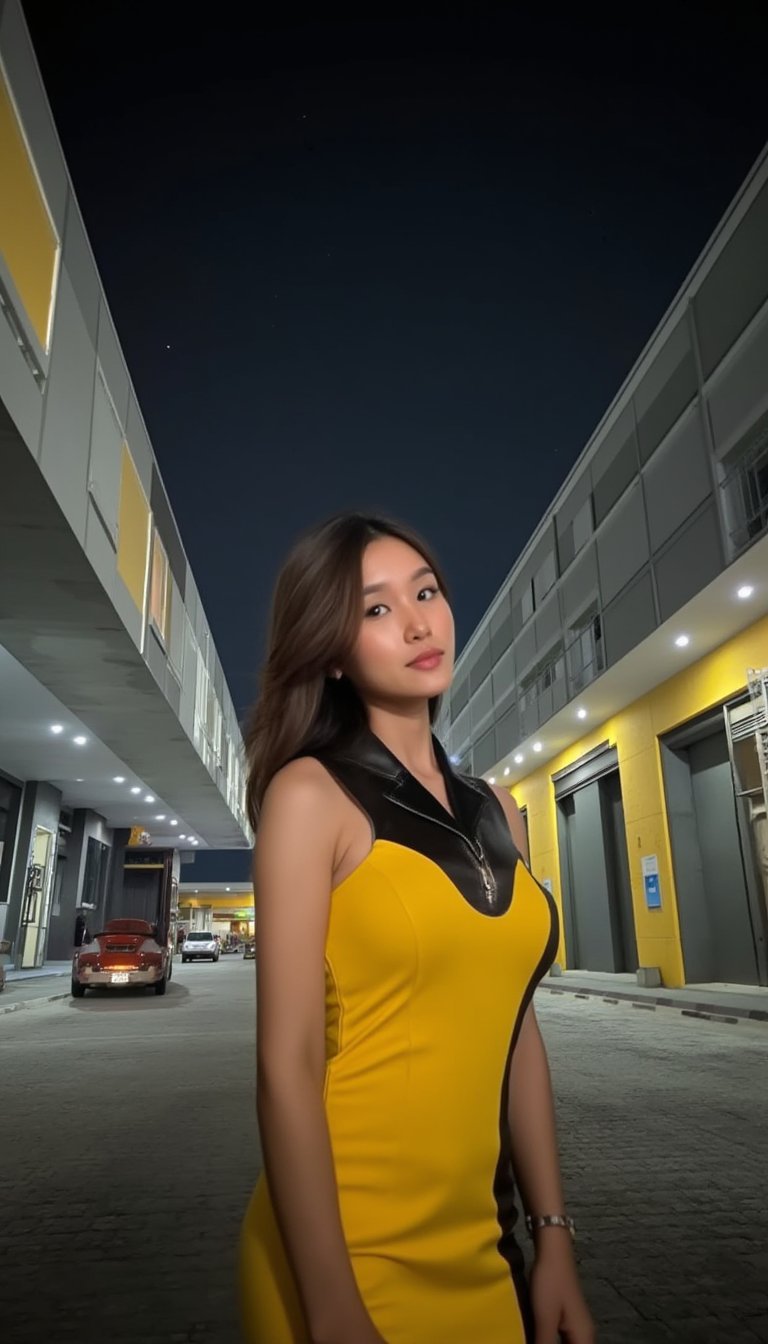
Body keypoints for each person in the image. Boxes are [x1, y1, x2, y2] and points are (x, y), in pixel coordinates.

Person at [239, 513, 595, 1344]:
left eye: (426, 591)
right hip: (342, 1251)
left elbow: (515, 1032)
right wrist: (330, 1307)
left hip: (486, 1242)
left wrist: (554, 1240)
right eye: (374, 609)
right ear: (331, 649)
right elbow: (283, 1065)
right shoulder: (309, 798)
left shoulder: (497, 806)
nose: (416, 620)